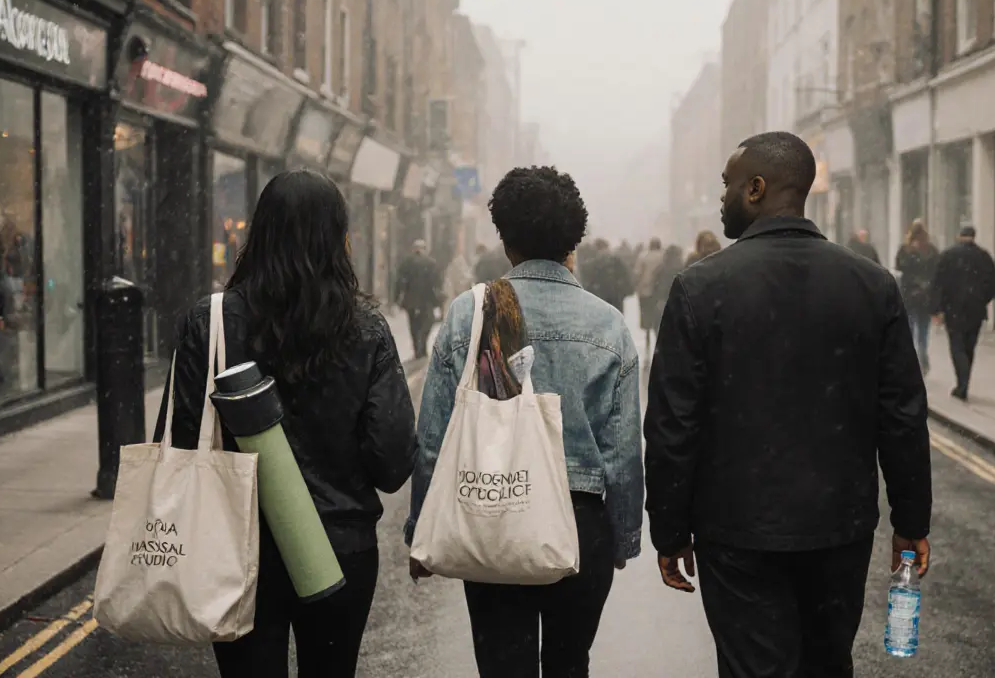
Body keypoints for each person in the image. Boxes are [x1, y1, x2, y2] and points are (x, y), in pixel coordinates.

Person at [645, 132, 932, 678]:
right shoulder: (871, 285)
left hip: (737, 532)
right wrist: (911, 520)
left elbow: (671, 427)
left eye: (727, 185)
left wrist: (670, 529)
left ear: (756, 188)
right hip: (838, 529)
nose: (721, 198)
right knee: (827, 665)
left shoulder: (700, 288)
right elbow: (901, 417)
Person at [157, 169, 417, 677]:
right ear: (339, 240)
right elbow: (391, 464)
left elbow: (183, 444)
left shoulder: (209, 322)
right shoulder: (366, 330)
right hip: (340, 550)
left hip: (236, 549)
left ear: (259, 233)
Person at [406, 166, 643, 677]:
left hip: (497, 503)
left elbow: (433, 439)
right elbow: (623, 451)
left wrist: (420, 529)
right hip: (581, 523)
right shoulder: (608, 325)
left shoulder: (471, 315)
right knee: (567, 662)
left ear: (504, 238)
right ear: (573, 240)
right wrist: (621, 534)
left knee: (502, 665)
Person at [931, 226, 995, 402]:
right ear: (974, 237)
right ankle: (964, 378)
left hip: (953, 309)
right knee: (969, 345)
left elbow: (938, 283)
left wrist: (937, 309)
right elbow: (993, 284)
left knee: (957, 345)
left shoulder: (948, 256)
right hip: (975, 310)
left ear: (959, 236)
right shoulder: (984, 257)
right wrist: (982, 299)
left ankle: (962, 382)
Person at [895, 220, 939, 374]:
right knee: (923, 331)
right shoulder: (931, 250)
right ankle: (922, 358)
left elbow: (899, 266)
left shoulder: (905, 250)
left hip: (910, 296)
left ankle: (914, 361)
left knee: (911, 330)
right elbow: (936, 272)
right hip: (925, 297)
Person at [395, 239, 443, 359]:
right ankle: (422, 344)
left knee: (413, 324)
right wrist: (438, 298)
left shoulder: (407, 263)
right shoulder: (431, 263)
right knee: (427, 322)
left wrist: (397, 298)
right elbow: (437, 282)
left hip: (411, 300)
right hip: (427, 299)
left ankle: (417, 347)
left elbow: (399, 282)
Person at [585, 237, 635, 312]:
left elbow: (626, 277)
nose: (604, 252)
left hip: (611, 298)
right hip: (607, 298)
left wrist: (622, 291)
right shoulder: (595, 264)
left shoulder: (616, 262)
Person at [635, 238, 665, 353]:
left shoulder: (643, 256)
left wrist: (637, 284)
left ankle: (647, 334)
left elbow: (638, 272)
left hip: (645, 289)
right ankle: (656, 333)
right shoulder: (663, 256)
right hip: (658, 290)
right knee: (657, 314)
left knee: (646, 312)